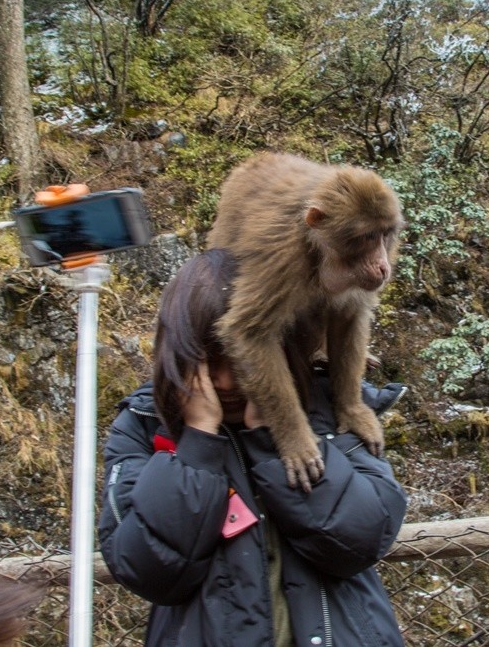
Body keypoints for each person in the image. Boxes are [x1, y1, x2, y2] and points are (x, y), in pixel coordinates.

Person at [98, 248, 407, 646]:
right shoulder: (142, 425)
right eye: (209, 359)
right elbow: (147, 571)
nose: (226, 382)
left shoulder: (328, 407)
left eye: (245, 359)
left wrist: (273, 430)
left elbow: (363, 538)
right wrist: (197, 442)